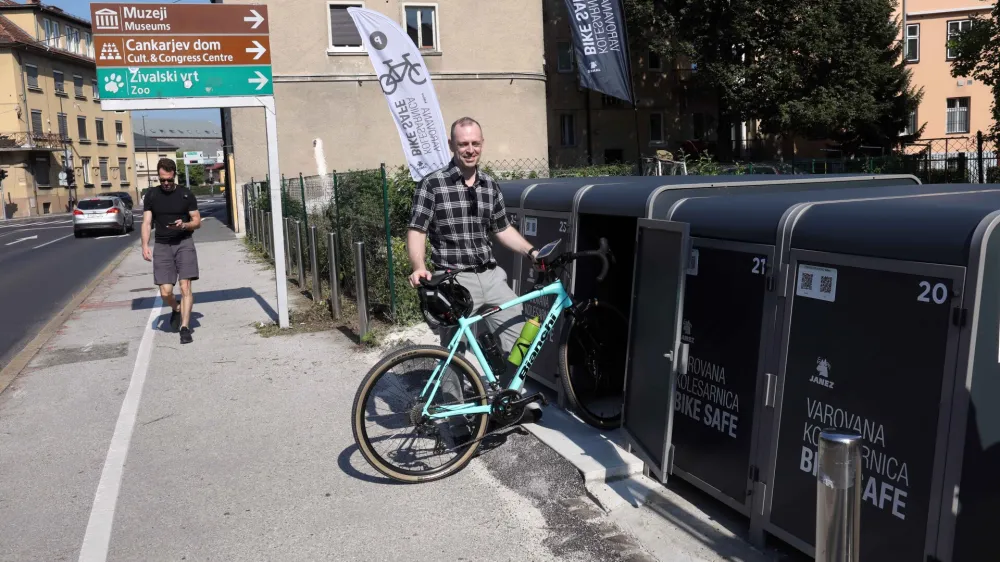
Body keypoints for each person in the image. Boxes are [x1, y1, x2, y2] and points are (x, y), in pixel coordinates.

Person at [407, 116, 542, 422]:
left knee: (522, 340)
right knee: (454, 354)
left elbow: (502, 228)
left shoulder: (489, 185)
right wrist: (418, 266)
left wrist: (530, 251)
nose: (470, 149)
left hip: (490, 275)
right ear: (453, 146)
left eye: (475, 143)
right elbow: (417, 229)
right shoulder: (433, 184)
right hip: (453, 280)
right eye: (463, 144)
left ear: (482, 144)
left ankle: (508, 401)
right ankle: (455, 418)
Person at [141, 158, 201, 344]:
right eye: (162, 180)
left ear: (174, 175)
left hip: (184, 243)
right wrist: (144, 245)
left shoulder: (186, 194)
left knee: (185, 287)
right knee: (166, 292)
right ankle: (176, 308)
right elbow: (147, 222)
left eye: (169, 179)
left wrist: (184, 225)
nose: (166, 183)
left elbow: (197, 221)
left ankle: (184, 327)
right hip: (162, 245)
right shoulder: (152, 195)